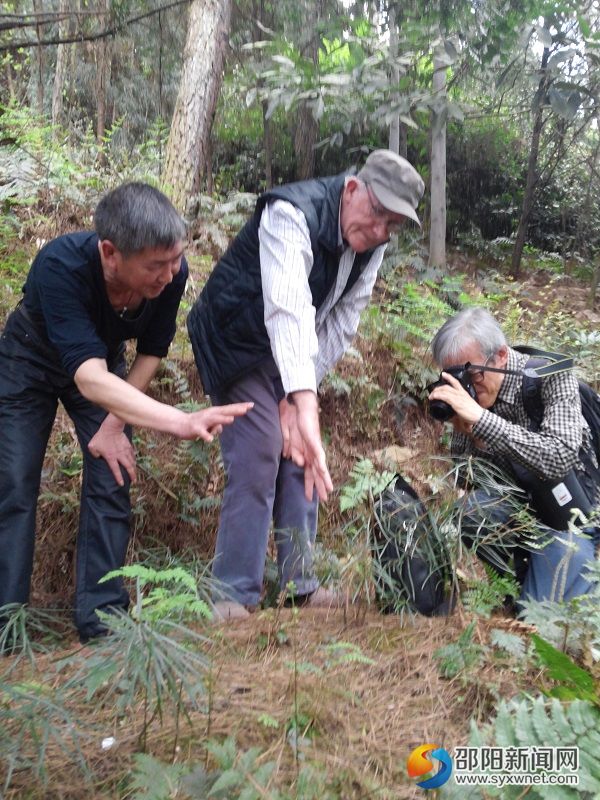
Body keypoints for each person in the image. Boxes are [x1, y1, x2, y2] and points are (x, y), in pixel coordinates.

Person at [0, 182, 252, 642]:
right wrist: (179, 420)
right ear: (110, 253)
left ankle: (103, 618)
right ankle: (7, 623)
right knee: (14, 482)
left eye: (175, 260)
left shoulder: (172, 274)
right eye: (156, 265)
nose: (170, 273)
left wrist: (115, 425)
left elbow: (152, 352)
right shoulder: (60, 266)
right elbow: (88, 378)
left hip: (104, 366)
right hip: (30, 362)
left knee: (113, 476)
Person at [187, 149, 425, 620]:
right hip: (236, 339)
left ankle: (300, 584)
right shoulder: (290, 213)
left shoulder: (371, 248)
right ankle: (233, 594)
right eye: (377, 213)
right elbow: (288, 308)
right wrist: (303, 403)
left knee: (300, 449)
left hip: (286, 348)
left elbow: (340, 323)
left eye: (392, 225)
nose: (380, 232)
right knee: (260, 447)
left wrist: (300, 398)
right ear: (353, 189)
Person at [429, 307, 597, 605]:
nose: (468, 386)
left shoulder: (551, 375)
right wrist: (472, 435)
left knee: (541, 626)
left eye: (473, 375)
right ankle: (511, 588)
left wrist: (484, 421)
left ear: (502, 356)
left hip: (573, 515)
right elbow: (468, 481)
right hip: (523, 510)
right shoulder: (475, 393)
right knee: (468, 513)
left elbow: (559, 456)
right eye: (456, 378)